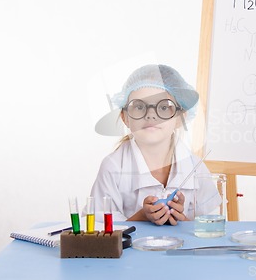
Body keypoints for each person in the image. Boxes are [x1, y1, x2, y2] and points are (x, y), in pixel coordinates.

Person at [89, 64, 213, 226]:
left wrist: (184, 222)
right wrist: (140, 218)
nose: (151, 115)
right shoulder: (113, 167)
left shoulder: (196, 167)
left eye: (164, 107)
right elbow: (98, 230)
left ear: (179, 117)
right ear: (125, 117)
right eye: (139, 107)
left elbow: (212, 226)